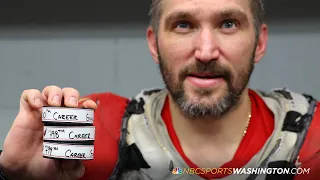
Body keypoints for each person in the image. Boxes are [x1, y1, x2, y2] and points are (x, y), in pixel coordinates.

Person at [0, 0, 319, 179]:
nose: (206, 52)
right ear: (154, 44)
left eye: (228, 24)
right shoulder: (97, 126)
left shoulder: (312, 137)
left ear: (260, 42)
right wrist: (12, 176)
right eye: (183, 24)